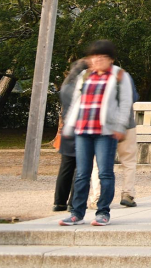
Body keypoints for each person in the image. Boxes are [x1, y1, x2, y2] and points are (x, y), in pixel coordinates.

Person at [58, 41, 134, 227]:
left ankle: (103, 212)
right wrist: (69, 125)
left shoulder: (119, 75)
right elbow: (76, 101)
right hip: (83, 129)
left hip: (105, 131)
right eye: (94, 57)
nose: (98, 60)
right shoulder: (85, 75)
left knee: (105, 173)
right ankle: (76, 213)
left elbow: (125, 102)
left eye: (102, 57)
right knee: (82, 174)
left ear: (110, 59)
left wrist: (120, 126)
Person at [53, 60, 88, 212]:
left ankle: (58, 202)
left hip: (67, 128)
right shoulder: (83, 86)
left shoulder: (66, 87)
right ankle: (73, 202)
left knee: (66, 167)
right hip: (81, 128)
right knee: (80, 168)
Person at [117, 71, 140, 207]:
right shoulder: (123, 75)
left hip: (104, 126)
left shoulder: (92, 76)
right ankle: (128, 193)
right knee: (129, 161)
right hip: (126, 125)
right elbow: (134, 96)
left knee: (99, 164)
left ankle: (96, 197)